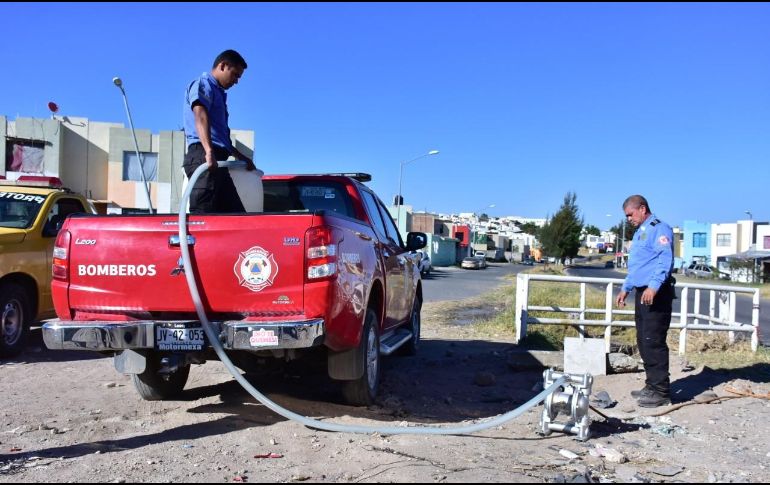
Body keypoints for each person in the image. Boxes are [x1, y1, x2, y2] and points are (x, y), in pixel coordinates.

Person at [615, 195, 675, 408]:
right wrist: (626, 288)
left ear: (642, 209)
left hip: (655, 293)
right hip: (642, 292)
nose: (628, 219)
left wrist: (654, 286)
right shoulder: (641, 232)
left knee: (653, 340)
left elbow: (665, 260)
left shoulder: (659, 228)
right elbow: (638, 265)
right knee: (643, 339)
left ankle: (661, 392)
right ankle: (651, 385)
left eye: (630, 214)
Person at [183, 49, 256, 213]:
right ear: (223, 66)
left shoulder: (219, 94)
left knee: (236, 216)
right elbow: (200, 115)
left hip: (218, 160)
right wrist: (209, 151)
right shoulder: (203, 85)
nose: (236, 81)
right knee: (204, 215)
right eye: (235, 75)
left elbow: (221, 138)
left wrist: (242, 157)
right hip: (203, 155)